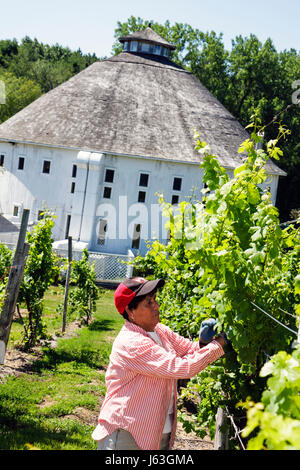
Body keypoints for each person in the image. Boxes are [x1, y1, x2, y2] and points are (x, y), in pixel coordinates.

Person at [92, 277, 226, 450]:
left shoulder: (160, 331)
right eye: (149, 303)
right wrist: (219, 345)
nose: (157, 306)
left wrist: (203, 343)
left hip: (157, 433)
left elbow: (188, 350)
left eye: (155, 299)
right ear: (129, 310)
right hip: (127, 436)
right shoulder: (132, 342)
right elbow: (182, 367)